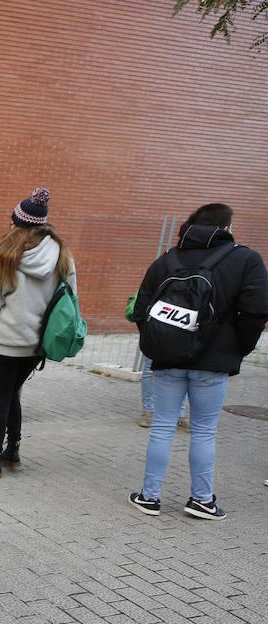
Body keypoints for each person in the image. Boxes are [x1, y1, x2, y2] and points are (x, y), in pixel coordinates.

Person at [128, 203, 268, 520]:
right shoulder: (246, 260)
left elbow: (142, 311)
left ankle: (150, 497)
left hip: (166, 359)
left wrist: (161, 342)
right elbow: (257, 311)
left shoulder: (167, 259)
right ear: (227, 228)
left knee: (162, 425)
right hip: (213, 364)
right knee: (204, 431)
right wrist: (237, 349)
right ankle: (201, 500)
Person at [0, 188, 77, 478]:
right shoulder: (62, 255)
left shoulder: (4, 256)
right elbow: (70, 300)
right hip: (37, 344)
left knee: (1, 399)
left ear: (16, 222)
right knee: (13, 394)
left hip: (6, 343)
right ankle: (12, 451)